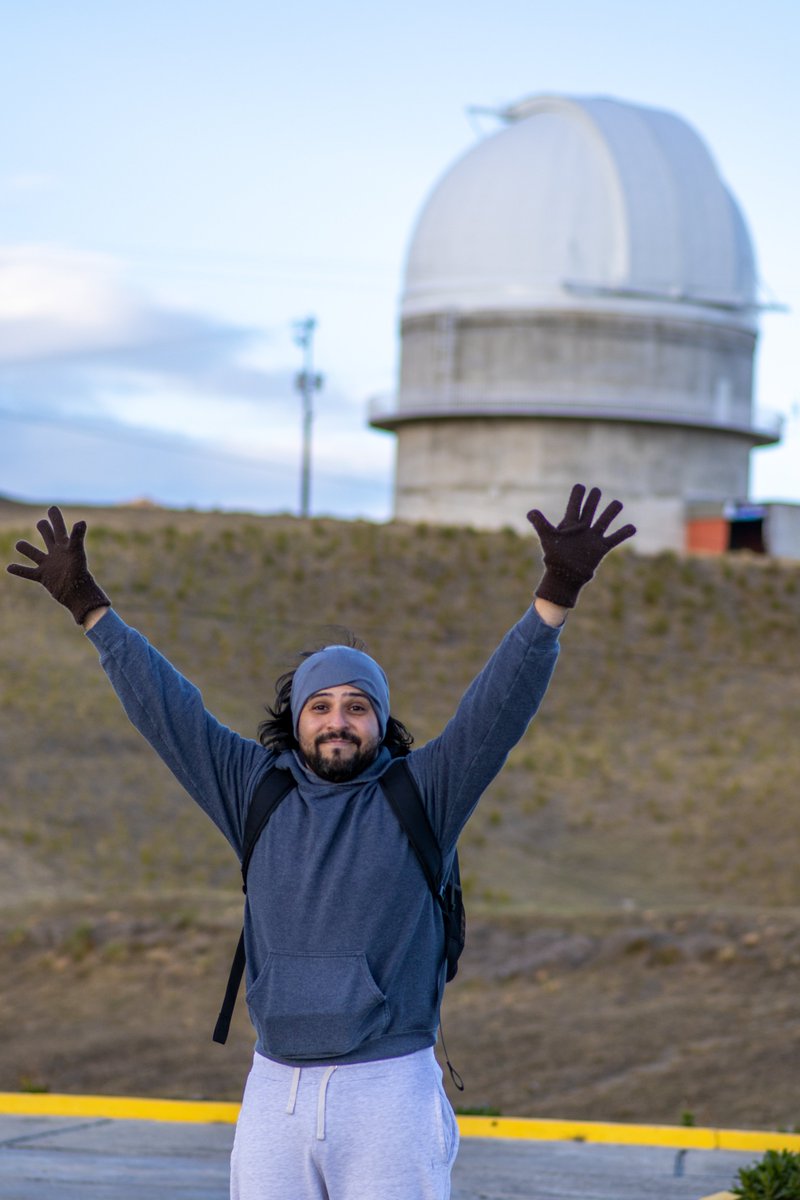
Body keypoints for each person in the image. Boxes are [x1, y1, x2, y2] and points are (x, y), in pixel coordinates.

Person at [6, 483, 635, 1200]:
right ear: (297, 720)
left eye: (357, 706)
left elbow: (498, 707)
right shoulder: (252, 788)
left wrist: (555, 595)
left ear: (381, 722)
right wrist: (90, 608)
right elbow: (166, 709)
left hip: (388, 1090)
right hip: (274, 1090)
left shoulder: (425, 793)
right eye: (321, 705)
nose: (338, 721)